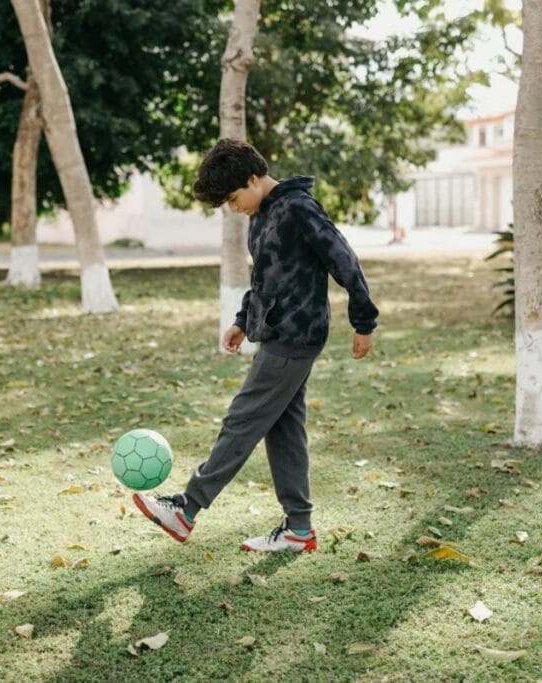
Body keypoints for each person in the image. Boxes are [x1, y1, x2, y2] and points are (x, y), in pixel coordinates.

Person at [133, 139, 379, 552]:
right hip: (276, 332)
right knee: (283, 429)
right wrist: (242, 321)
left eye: (233, 198)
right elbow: (266, 279)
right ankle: (299, 530)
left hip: (296, 335)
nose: (233, 207)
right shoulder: (261, 214)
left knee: (243, 418)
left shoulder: (299, 207)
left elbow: (344, 259)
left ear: (253, 178)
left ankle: (186, 508)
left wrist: (364, 320)